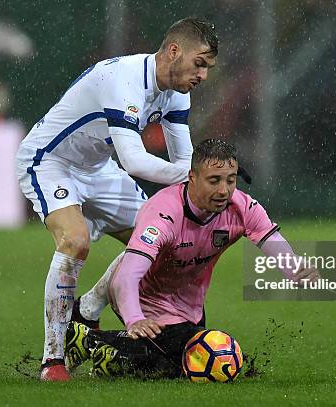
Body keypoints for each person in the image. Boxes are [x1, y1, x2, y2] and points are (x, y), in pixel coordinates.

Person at [14, 18, 218, 381]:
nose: (203, 75)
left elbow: (183, 162)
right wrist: (197, 181)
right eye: (199, 63)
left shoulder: (177, 93)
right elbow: (136, 161)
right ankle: (53, 360)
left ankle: (87, 311)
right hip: (50, 161)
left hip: (98, 169)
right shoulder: (124, 80)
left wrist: (196, 182)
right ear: (174, 51)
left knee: (163, 244)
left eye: (208, 67)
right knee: (74, 242)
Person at [63, 139, 319, 378]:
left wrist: (294, 269)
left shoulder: (242, 208)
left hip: (189, 304)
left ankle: (113, 354)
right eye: (214, 180)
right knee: (189, 358)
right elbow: (126, 277)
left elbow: (270, 239)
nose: (224, 190)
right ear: (192, 177)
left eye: (231, 180)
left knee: (182, 364)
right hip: (144, 296)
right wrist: (135, 319)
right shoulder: (163, 213)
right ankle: (91, 341)